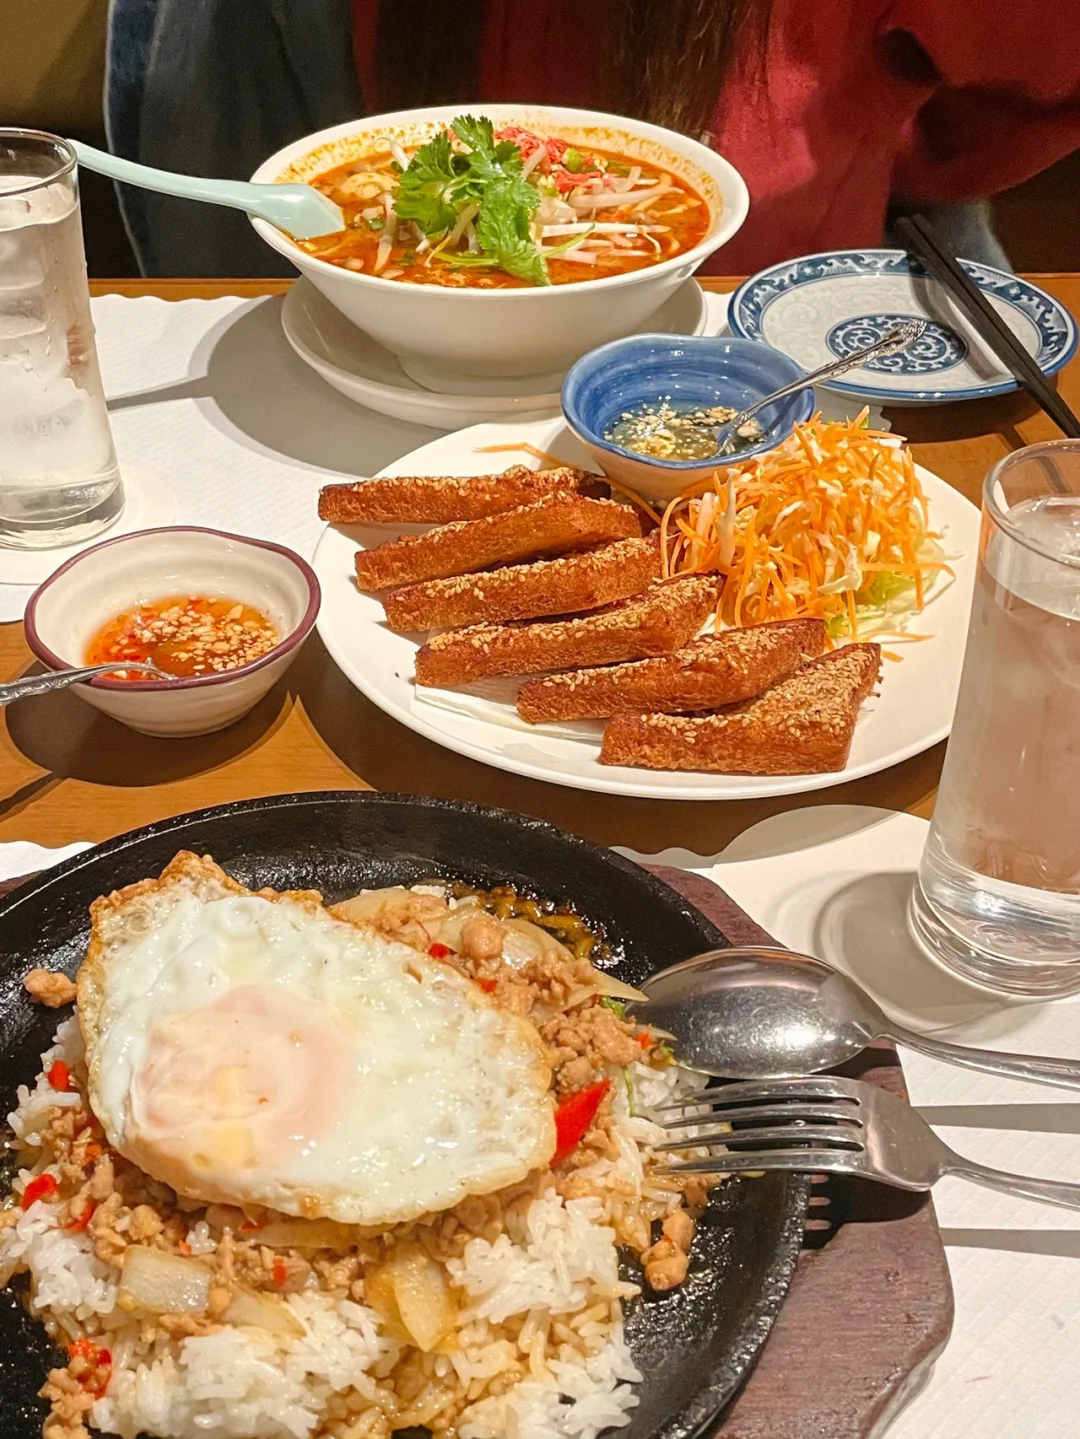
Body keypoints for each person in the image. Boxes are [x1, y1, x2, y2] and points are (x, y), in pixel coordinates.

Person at [105, 0, 1080, 278]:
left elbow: (1019, 98)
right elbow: (239, 250)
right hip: (388, 398)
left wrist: (887, 148)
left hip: (777, 369)